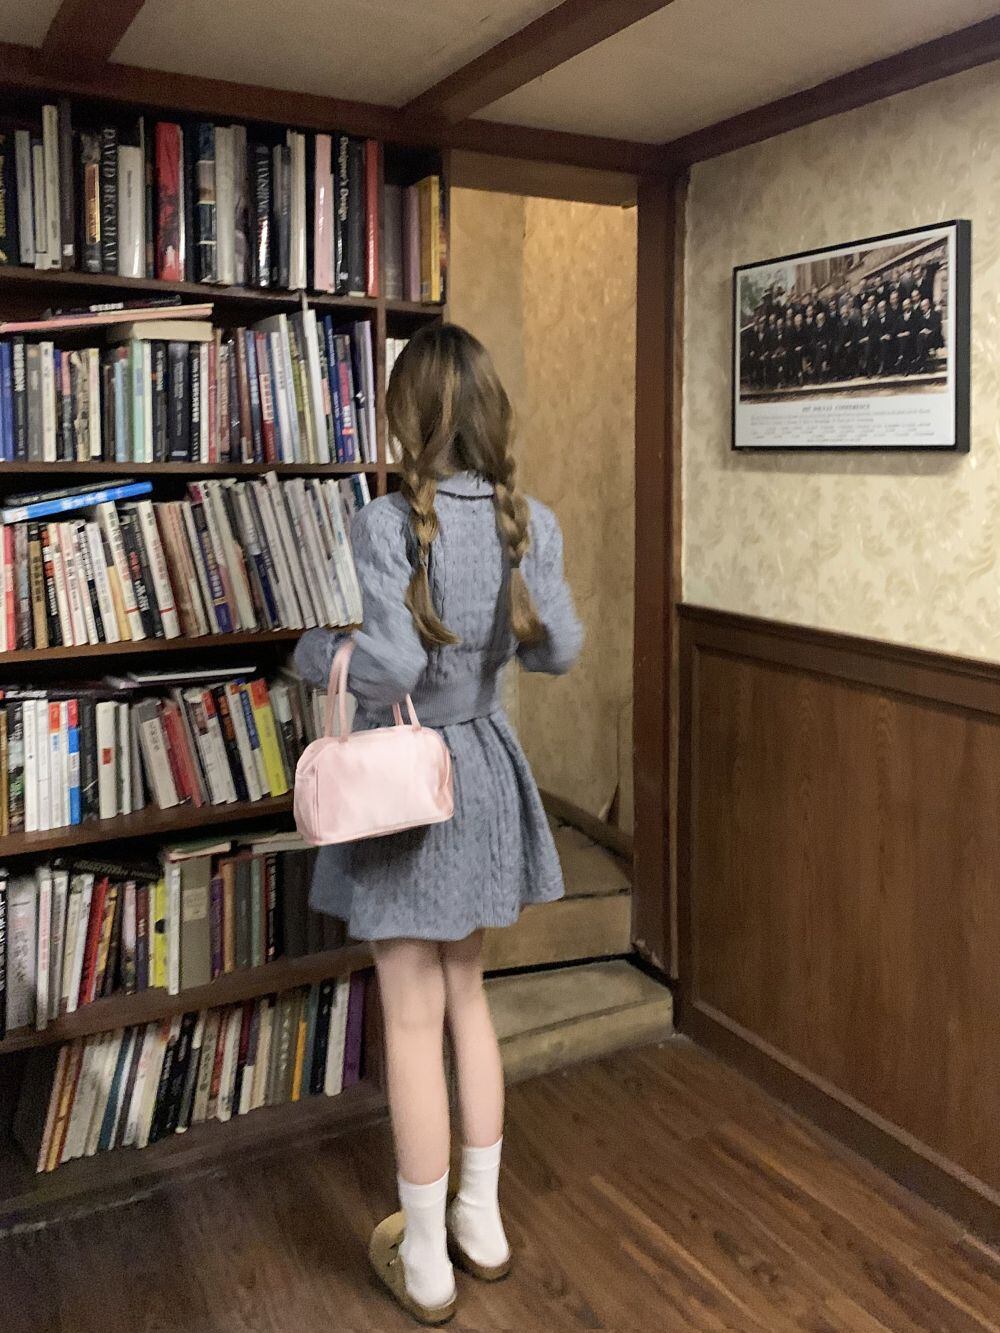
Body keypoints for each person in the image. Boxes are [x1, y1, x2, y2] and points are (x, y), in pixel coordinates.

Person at [293, 323, 583, 1326]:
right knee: (468, 999)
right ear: (489, 412)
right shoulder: (527, 521)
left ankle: (423, 1258)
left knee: (410, 1019)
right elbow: (559, 650)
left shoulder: (386, 522)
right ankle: (481, 1225)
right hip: (487, 770)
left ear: (407, 416)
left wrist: (313, 650)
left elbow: (392, 669)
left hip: (413, 784)